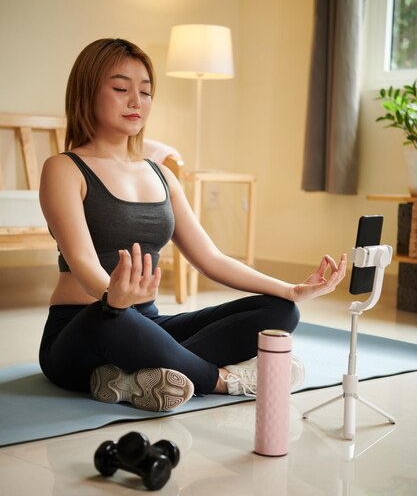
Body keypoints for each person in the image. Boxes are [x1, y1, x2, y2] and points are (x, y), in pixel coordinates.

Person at [39, 37, 347, 413]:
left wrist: (290, 288)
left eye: (146, 91)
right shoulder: (64, 169)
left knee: (280, 313)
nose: (136, 101)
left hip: (147, 325)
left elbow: (210, 259)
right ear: (87, 93)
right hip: (83, 329)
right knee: (115, 321)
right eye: (121, 89)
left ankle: (129, 380)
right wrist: (112, 297)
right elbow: (83, 259)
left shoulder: (162, 175)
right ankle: (225, 381)